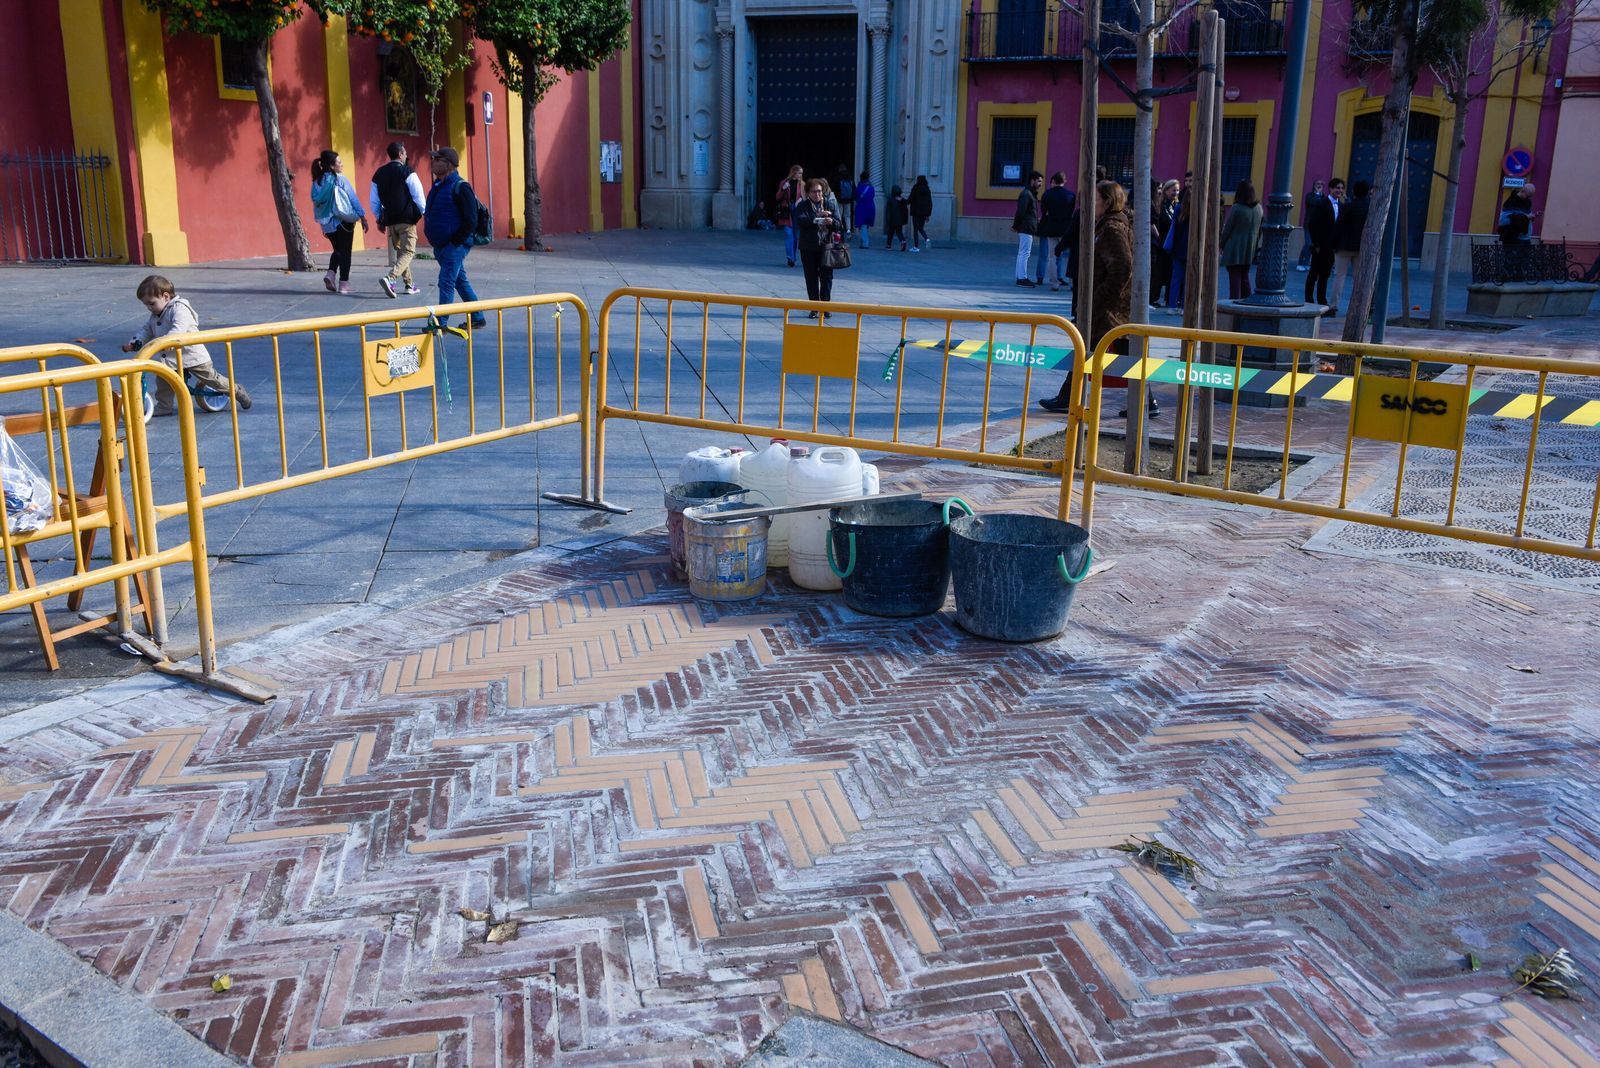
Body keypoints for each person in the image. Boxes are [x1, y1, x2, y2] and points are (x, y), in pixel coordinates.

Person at [1041, 181, 1141, 415]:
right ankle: (1069, 396)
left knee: (1089, 347)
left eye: (1094, 200)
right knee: (1091, 348)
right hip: (1110, 306)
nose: (1089, 205)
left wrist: (1101, 297)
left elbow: (1123, 267)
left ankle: (1145, 402)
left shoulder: (1112, 228)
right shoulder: (1108, 224)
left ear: (1106, 201)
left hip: (1109, 307)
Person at [121, 275, 252, 415]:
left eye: (151, 303)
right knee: (163, 383)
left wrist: (169, 341)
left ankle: (236, 390)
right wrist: (135, 342)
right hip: (171, 360)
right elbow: (146, 330)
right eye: (145, 304)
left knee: (213, 380)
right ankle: (164, 406)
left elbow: (179, 327)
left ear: (165, 297)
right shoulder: (156, 314)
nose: (148, 308)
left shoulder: (180, 309)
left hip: (192, 356)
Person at [423, 147, 487, 335]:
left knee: (446, 281)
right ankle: (477, 317)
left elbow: (471, 220)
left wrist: (456, 242)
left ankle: (440, 322)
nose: (433, 163)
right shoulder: (438, 185)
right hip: (441, 245)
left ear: (449, 164)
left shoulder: (461, 186)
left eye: (437, 159)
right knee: (460, 281)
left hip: (454, 245)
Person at [369, 141, 427, 298]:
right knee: (408, 251)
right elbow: (418, 195)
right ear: (400, 154)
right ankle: (391, 278)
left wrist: (379, 218)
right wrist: (423, 212)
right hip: (407, 218)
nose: (406, 155)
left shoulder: (379, 173)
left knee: (402, 252)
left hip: (390, 219)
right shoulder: (407, 171)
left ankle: (409, 284)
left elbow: (374, 200)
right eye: (405, 152)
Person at [309, 150, 367, 294]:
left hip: (326, 224)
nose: (341, 164)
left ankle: (331, 273)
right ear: (331, 166)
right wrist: (362, 217)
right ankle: (344, 283)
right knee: (345, 252)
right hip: (342, 220)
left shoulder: (316, 182)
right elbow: (353, 198)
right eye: (339, 162)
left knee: (338, 250)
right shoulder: (339, 179)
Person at [793, 178, 840, 318]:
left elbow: (839, 224)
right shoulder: (803, 206)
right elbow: (801, 221)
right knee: (811, 277)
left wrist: (831, 221)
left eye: (819, 191)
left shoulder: (829, 204)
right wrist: (817, 217)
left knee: (827, 277)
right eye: (814, 192)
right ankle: (814, 307)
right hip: (809, 247)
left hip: (826, 247)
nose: (817, 194)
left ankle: (825, 306)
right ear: (808, 193)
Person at [1329, 179, 1370, 312]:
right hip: (1362, 247)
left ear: (1354, 192)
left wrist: (1335, 244)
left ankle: (1334, 305)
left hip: (1344, 246)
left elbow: (1338, 226)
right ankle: (1359, 307)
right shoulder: (1370, 207)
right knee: (1360, 279)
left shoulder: (1347, 206)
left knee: (1339, 276)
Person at [1220, 180, 1263, 300]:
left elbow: (1228, 228)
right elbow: (1260, 230)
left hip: (1235, 247)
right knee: (1244, 276)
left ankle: (1234, 302)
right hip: (1250, 248)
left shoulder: (1237, 208)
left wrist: (1221, 244)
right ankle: (1248, 301)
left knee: (1234, 278)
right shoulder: (1259, 209)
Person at [1305, 176, 1343, 308]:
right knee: (1314, 273)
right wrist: (1315, 244)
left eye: (1341, 188)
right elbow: (1312, 224)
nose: (1340, 190)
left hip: (1332, 247)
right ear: (1331, 188)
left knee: (1325, 275)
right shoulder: (1322, 204)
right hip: (1320, 246)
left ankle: (1321, 300)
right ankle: (1308, 299)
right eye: (1337, 187)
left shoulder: (1341, 206)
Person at [1037, 172, 1073, 289]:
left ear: (1054, 181)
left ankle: (1054, 283)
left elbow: (1044, 211)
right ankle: (1072, 281)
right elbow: (1071, 212)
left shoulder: (1047, 194)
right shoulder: (1070, 195)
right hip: (1066, 230)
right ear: (1064, 181)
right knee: (1070, 256)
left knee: (1052, 256)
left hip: (1051, 228)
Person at [1013, 170, 1043, 287]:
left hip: (1026, 227)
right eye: (1039, 181)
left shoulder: (1029, 193)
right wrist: (1016, 225)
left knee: (1022, 253)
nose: (1040, 184)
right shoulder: (1027, 194)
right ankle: (1022, 278)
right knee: (1025, 253)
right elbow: (1021, 211)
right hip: (1026, 227)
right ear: (1032, 180)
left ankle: (1019, 276)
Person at [1152, 179, 1179, 306]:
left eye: (1177, 190)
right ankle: (1154, 297)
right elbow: (1164, 221)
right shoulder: (1162, 205)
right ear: (1166, 190)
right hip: (1162, 243)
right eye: (1173, 190)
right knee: (1159, 272)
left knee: (1169, 272)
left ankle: (1168, 298)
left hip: (1172, 245)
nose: (1176, 192)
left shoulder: (1175, 205)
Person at [776, 164, 804, 267]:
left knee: (795, 235)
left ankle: (794, 256)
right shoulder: (784, 183)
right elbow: (777, 197)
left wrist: (801, 199)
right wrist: (783, 189)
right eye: (799, 173)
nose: (800, 175)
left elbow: (806, 198)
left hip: (797, 210)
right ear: (794, 173)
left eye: (801, 173)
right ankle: (790, 258)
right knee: (788, 233)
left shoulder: (803, 185)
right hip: (787, 209)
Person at [1297, 179, 1326, 270]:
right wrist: (1318, 194)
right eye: (1317, 184)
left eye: (1321, 184)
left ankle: (1306, 264)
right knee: (1308, 244)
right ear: (1314, 186)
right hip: (1309, 224)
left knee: (1312, 245)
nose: (1319, 185)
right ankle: (1300, 263)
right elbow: (1313, 203)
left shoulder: (1324, 198)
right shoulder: (1309, 196)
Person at [908, 175, 933, 252]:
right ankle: (927, 239)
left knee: (915, 229)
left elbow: (910, 199)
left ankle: (916, 247)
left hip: (916, 211)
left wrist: (902, 201)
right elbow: (930, 203)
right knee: (921, 228)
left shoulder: (915, 188)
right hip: (924, 212)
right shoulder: (927, 189)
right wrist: (928, 214)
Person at [853, 172, 876, 249]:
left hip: (862, 208)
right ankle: (863, 242)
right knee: (866, 226)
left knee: (862, 225)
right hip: (871, 207)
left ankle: (865, 243)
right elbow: (872, 196)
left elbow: (856, 197)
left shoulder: (859, 187)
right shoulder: (871, 188)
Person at [885, 183, 909, 251]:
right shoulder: (902, 200)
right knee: (899, 232)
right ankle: (903, 241)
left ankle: (888, 245)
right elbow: (906, 208)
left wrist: (887, 219)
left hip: (892, 220)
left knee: (890, 233)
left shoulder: (890, 199)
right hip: (900, 220)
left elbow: (888, 211)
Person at [834, 166, 856, 238]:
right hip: (848, 200)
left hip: (839, 200)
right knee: (847, 216)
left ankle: (839, 229)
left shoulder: (838, 178)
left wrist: (836, 197)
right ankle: (848, 230)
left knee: (839, 215)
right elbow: (854, 189)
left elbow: (835, 188)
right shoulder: (850, 178)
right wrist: (852, 198)